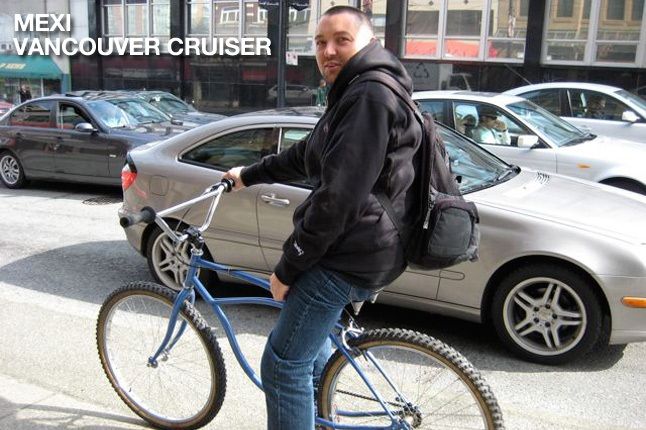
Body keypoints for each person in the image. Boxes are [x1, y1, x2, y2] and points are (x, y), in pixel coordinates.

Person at [223, 6, 423, 429]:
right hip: (371, 244)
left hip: (354, 252)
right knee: (312, 353)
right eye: (320, 42)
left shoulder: (369, 95)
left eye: (341, 40)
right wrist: (249, 175)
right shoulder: (355, 90)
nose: (328, 51)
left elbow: (338, 198)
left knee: (282, 364)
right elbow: (308, 154)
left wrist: (288, 267)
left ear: (369, 42)